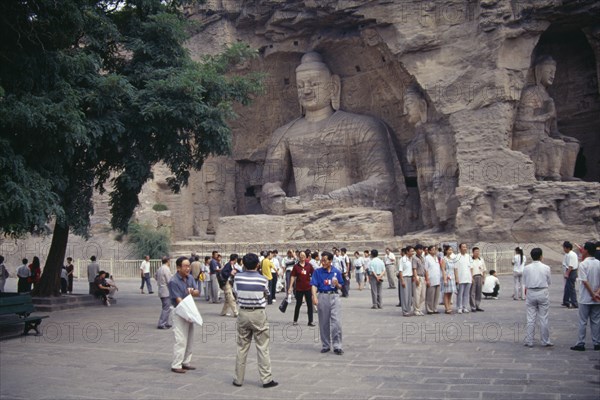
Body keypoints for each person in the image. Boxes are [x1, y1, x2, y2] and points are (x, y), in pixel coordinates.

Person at [232, 253, 278, 388]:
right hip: (258, 313)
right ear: (257, 265)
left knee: (242, 347)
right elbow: (267, 294)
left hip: (243, 313)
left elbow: (235, 293)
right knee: (262, 347)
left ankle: (238, 379)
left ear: (244, 264)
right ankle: (266, 379)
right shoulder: (263, 279)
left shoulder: (237, 278)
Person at [168, 256, 200, 373]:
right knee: (180, 338)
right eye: (185, 266)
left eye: (189, 266)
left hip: (189, 310)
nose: (188, 268)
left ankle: (186, 361)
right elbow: (178, 300)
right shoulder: (173, 281)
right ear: (178, 268)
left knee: (190, 338)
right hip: (179, 311)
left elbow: (197, 292)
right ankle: (176, 364)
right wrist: (188, 314)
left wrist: (192, 291)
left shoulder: (190, 278)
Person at [311, 251, 344, 354]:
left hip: (334, 296)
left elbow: (341, 286)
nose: (323, 262)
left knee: (336, 322)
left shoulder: (336, 271)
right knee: (324, 322)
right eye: (322, 260)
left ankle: (337, 345)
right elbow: (314, 285)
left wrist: (337, 284)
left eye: (325, 260)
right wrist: (314, 296)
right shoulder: (317, 272)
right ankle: (326, 345)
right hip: (323, 296)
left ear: (330, 261)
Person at [570, 242, 600, 351]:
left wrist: (592, 294)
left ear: (586, 250)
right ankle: (597, 343)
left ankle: (581, 343)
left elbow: (585, 281)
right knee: (596, 321)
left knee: (583, 321)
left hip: (585, 298)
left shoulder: (583, 264)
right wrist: (597, 293)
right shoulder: (598, 263)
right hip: (597, 299)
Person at [522, 248, 553, 347]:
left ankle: (529, 340)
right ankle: (545, 341)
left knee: (530, 318)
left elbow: (524, 282)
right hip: (542, 291)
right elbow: (549, 282)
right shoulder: (546, 267)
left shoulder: (526, 268)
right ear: (541, 256)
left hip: (531, 292)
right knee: (544, 318)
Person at [288, 251, 315, 326]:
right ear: (299, 257)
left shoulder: (309, 265)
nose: (302, 257)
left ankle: (310, 321)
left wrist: (315, 284)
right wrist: (290, 287)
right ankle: (295, 320)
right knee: (298, 304)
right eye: (301, 255)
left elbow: (314, 274)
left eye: (304, 255)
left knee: (309, 305)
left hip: (308, 287)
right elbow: (293, 277)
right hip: (299, 288)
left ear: (306, 257)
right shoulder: (296, 267)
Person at [454, 243, 472, 314]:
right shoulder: (457, 257)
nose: (465, 248)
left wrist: (471, 277)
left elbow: (470, 268)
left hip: (468, 278)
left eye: (465, 247)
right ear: (460, 248)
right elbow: (455, 269)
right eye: (463, 247)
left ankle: (465, 307)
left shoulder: (468, 256)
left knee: (466, 294)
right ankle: (459, 307)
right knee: (460, 294)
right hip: (461, 278)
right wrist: (456, 278)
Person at [156, 256, 173, 329]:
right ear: (168, 261)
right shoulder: (166, 269)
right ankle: (162, 323)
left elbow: (155, 276)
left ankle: (166, 322)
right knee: (166, 308)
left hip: (161, 289)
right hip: (166, 290)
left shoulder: (160, 268)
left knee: (166, 307)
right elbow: (169, 280)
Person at [424, 245, 442, 314]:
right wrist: (427, 279)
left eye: (435, 249)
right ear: (429, 251)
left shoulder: (436, 258)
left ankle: (435, 308)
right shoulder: (427, 258)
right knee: (430, 295)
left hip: (437, 278)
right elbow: (426, 269)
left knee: (436, 295)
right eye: (433, 249)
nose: (435, 251)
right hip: (430, 278)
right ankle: (429, 309)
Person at [562, 241, 579, 309]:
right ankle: (566, 301)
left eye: (564, 248)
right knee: (567, 287)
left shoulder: (572, 255)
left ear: (568, 248)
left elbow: (571, 266)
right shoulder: (567, 254)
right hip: (569, 270)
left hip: (571, 272)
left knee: (571, 288)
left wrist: (567, 273)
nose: (564, 249)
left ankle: (574, 303)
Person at [440, 245, 457, 314]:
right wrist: (445, 279)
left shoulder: (452, 259)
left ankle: (449, 306)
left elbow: (454, 269)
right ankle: (446, 307)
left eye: (451, 250)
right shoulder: (444, 259)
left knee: (450, 293)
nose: (450, 251)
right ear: (446, 251)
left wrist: (456, 278)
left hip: (452, 276)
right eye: (449, 250)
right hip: (447, 276)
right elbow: (443, 270)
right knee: (446, 293)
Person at [399, 246, 415, 316]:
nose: (412, 252)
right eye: (411, 251)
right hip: (404, 278)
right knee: (404, 295)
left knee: (409, 295)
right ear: (407, 252)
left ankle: (408, 309)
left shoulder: (411, 259)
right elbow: (400, 271)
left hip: (410, 278)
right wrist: (402, 280)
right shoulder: (402, 259)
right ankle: (405, 310)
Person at [412, 244, 427, 316]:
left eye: (421, 249)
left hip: (423, 276)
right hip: (418, 276)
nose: (420, 251)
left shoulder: (422, 258)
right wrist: (416, 277)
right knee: (417, 294)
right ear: (416, 250)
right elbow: (414, 269)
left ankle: (420, 309)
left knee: (423, 295)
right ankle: (416, 309)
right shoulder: (414, 258)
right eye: (419, 249)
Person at [469, 247, 486, 312]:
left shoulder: (481, 259)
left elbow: (484, 269)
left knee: (479, 292)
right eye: (476, 251)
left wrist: (483, 278)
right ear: (473, 252)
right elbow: (470, 269)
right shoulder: (470, 260)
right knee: (472, 292)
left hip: (480, 276)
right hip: (473, 276)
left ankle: (477, 305)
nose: (477, 253)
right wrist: (471, 277)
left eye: (478, 251)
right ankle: (473, 307)